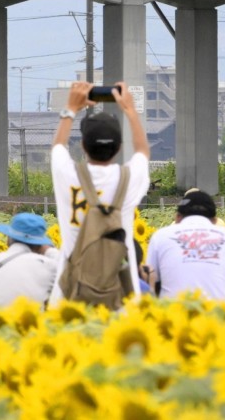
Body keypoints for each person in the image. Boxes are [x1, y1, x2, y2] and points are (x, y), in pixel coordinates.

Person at [49, 81, 150, 307]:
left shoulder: (67, 174)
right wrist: (131, 111)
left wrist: (71, 108)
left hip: (69, 300)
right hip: (120, 301)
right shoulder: (128, 179)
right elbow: (143, 151)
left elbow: (57, 148)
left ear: (83, 146)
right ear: (119, 148)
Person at [146, 190, 225, 307]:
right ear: (215, 220)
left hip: (174, 317)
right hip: (221, 318)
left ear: (177, 217)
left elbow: (151, 279)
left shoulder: (160, 236)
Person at [0, 212, 58, 308]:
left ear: (8, 239)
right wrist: (49, 250)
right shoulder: (49, 266)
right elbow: (68, 267)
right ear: (41, 245)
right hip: (27, 322)